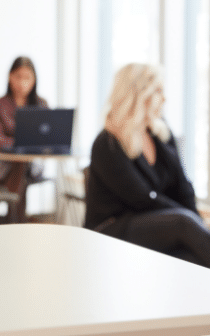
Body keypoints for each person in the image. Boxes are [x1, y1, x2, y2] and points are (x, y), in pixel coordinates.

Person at [84, 63, 210, 268]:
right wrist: (190, 221)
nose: (165, 99)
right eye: (158, 91)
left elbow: (183, 186)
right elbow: (141, 199)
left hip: (157, 224)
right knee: (183, 223)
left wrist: (197, 222)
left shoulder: (160, 134)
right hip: (113, 228)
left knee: (189, 257)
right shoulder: (107, 143)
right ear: (139, 95)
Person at [0, 56, 48, 222]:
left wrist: (26, 148)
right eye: (18, 77)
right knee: (21, 163)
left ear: (34, 80)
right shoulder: (0, 105)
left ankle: (13, 219)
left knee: (25, 163)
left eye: (27, 78)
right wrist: (24, 147)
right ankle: (19, 220)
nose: (22, 83)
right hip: (6, 166)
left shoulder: (41, 105)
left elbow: (48, 138)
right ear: (10, 77)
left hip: (34, 166)